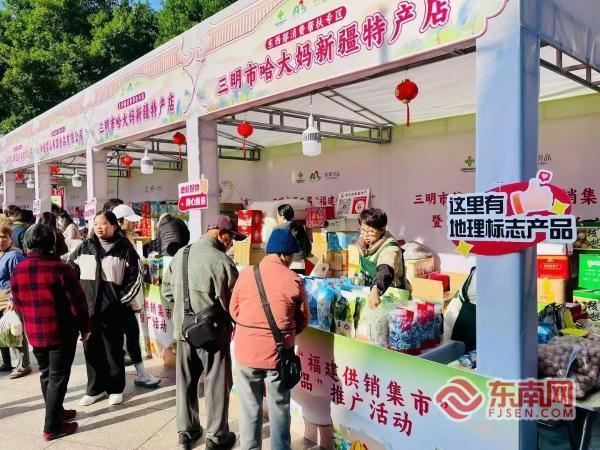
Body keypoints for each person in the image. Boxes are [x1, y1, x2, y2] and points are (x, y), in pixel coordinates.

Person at [162, 215, 243, 450]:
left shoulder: (180, 254)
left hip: (183, 331)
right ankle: (217, 437)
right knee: (216, 383)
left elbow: (167, 292)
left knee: (185, 382)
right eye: (231, 238)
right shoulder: (222, 261)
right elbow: (235, 303)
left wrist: (183, 311)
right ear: (221, 233)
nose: (231, 243)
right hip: (212, 334)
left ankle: (187, 433)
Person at [230, 228, 310, 450]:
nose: (292, 260)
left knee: (249, 408)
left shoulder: (247, 273)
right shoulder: (293, 280)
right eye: (291, 255)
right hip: (277, 354)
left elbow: (233, 310)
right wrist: (286, 333)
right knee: (279, 407)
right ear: (284, 255)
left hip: (246, 352)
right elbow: (303, 319)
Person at [10, 224, 91, 440]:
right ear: (52, 243)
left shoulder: (19, 269)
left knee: (46, 374)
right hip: (61, 333)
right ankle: (52, 427)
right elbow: (78, 303)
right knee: (57, 378)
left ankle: (57, 411)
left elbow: (17, 302)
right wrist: (85, 327)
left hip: (35, 333)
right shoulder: (61, 269)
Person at [68, 211, 143, 406]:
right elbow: (70, 273)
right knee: (91, 350)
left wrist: (119, 302)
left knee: (113, 350)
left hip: (114, 311)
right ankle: (95, 389)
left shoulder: (125, 248)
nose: (99, 227)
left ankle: (116, 388)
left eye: (103, 224)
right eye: (96, 224)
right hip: (89, 311)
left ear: (114, 226)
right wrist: (76, 301)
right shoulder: (84, 247)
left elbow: (135, 278)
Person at [112, 203, 161, 389]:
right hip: (122, 300)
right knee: (130, 335)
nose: (134, 224)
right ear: (119, 222)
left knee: (129, 336)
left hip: (122, 300)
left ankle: (137, 374)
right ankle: (138, 375)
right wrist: (127, 300)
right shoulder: (120, 243)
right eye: (129, 221)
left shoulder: (123, 240)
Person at [357, 208, 410, 309]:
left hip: (392, 298)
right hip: (371, 293)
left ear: (382, 229)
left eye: (371, 231)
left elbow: (386, 270)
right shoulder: (365, 241)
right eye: (363, 230)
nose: (366, 235)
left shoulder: (390, 248)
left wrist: (376, 289)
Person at [0, 224, 29, 376]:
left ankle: (22, 365)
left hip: (10, 301)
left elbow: (20, 280)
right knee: (3, 332)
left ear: (11, 238)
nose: (1, 240)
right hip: (1, 301)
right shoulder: (1, 254)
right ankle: (7, 362)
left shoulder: (14, 256)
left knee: (15, 332)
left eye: (4, 237)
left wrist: (13, 299)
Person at [275, 204, 311, 273]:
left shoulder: (277, 230)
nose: (277, 218)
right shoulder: (300, 228)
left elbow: (272, 249)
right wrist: (302, 256)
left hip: (284, 264)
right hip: (300, 264)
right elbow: (308, 247)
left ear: (282, 216)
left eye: (277, 216)